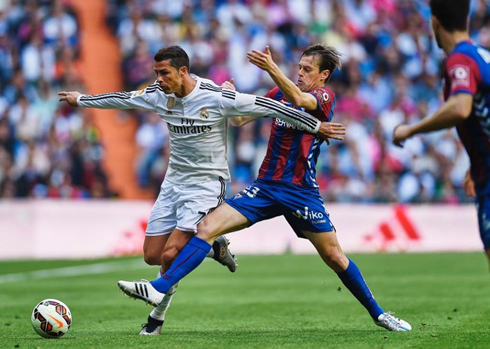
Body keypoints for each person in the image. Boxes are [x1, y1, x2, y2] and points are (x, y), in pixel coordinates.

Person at [118, 44, 412, 332]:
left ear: (323, 76)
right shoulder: (277, 94)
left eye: (307, 69)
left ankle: (379, 314)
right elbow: (240, 120)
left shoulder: (324, 95)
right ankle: (160, 287)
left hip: (301, 192)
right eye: (298, 67)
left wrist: (270, 67)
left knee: (335, 257)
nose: (299, 73)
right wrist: (230, 98)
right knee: (206, 228)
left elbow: (299, 96)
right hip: (265, 187)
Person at [59, 45, 345, 335]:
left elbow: (269, 106)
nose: (158, 79)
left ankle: (155, 321)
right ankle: (212, 247)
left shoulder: (215, 96)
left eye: (164, 73)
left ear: (183, 71)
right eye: (156, 73)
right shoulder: (158, 94)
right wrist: (81, 99)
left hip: (207, 183)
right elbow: (124, 99)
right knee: (152, 255)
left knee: (172, 254)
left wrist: (315, 126)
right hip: (173, 183)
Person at [393, 0, 490, 267]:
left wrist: (411, 130)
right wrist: (476, 161)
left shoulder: (459, 59)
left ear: (434, 22)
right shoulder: (481, 56)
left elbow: (460, 107)